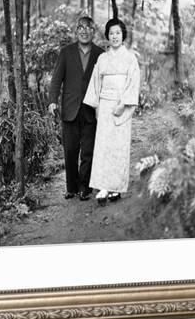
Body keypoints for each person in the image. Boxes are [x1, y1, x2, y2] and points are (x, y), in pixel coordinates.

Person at [83, 18, 140, 205]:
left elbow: (133, 84)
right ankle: (103, 187)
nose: (114, 36)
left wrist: (123, 104)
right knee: (103, 147)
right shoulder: (102, 58)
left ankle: (117, 187)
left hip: (121, 106)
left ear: (123, 35)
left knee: (119, 147)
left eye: (117, 33)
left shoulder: (130, 58)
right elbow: (96, 84)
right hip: (105, 106)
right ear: (107, 36)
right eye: (111, 33)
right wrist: (98, 106)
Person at [48, 17, 104, 201]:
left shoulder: (100, 54)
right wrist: (52, 101)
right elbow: (57, 79)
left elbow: (106, 81)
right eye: (81, 27)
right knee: (70, 151)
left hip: (91, 110)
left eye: (88, 28)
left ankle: (84, 188)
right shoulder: (66, 52)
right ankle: (71, 187)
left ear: (93, 31)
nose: (84, 31)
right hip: (70, 108)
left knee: (88, 150)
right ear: (76, 30)